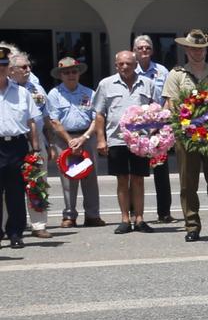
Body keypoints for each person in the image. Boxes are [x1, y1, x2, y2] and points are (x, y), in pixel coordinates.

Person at [163, 29, 208, 242]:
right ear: (185, 49)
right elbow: (172, 105)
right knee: (188, 183)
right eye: (193, 48)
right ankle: (192, 226)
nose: (197, 52)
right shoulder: (177, 74)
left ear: (206, 49)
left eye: (201, 49)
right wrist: (191, 125)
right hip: (187, 137)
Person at [90, 51, 156, 234]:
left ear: (136, 64)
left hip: (140, 140)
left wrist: (155, 136)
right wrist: (101, 139)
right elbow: (100, 114)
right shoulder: (106, 84)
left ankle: (140, 219)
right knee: (122, 179)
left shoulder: (148, 84)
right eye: (121, 64)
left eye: (128, 63)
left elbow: (154, 111)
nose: (125, 66)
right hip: (116, 139)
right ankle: (125, 219)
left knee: (138, 179)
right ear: (116, 65)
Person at [46, 57, 103, 230]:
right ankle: (69, 215)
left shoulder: (89, 93)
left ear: (79, 73)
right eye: (66, 72)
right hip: (64, 140)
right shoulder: (54, 94)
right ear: (61, 75)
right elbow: (53, 121)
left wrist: (84, 137)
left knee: (90, 177)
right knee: (68, 178)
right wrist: (70, 140)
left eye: (74, 71)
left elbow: (97, 118)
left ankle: (93, 215)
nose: (71, 75)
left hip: (87, 137)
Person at [8, 52, 53, 239]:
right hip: (13, 142)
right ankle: (6, 226)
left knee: (38, 183)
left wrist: (48, 144)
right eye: (23, 67)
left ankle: (39, 225)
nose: (28, 70)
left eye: (29, 66)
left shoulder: (37, 90)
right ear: (11, 71)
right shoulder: (5, 89)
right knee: (8, 185)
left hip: (36, 141)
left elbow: (46, 118)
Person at [0, 45, 40, 250]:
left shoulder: (22, 92)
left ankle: (15, 232)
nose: (1, 69)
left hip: (16, 146)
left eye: (4, 65)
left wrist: (35, 147)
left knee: (15, 192)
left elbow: (32, 121)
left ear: (8, 68)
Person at [133, 35, 175, 223]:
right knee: (135, 172)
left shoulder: (161, 71)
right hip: (137, 128)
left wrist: (159, 122)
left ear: (152, 50)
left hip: (158, 128)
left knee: (161, 172)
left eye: (147, 47)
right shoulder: (129, 69)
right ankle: (134, 213)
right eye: (140, 48)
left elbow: (168, 97)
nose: (144, 50)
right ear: (134, 50)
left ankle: (164, 212)